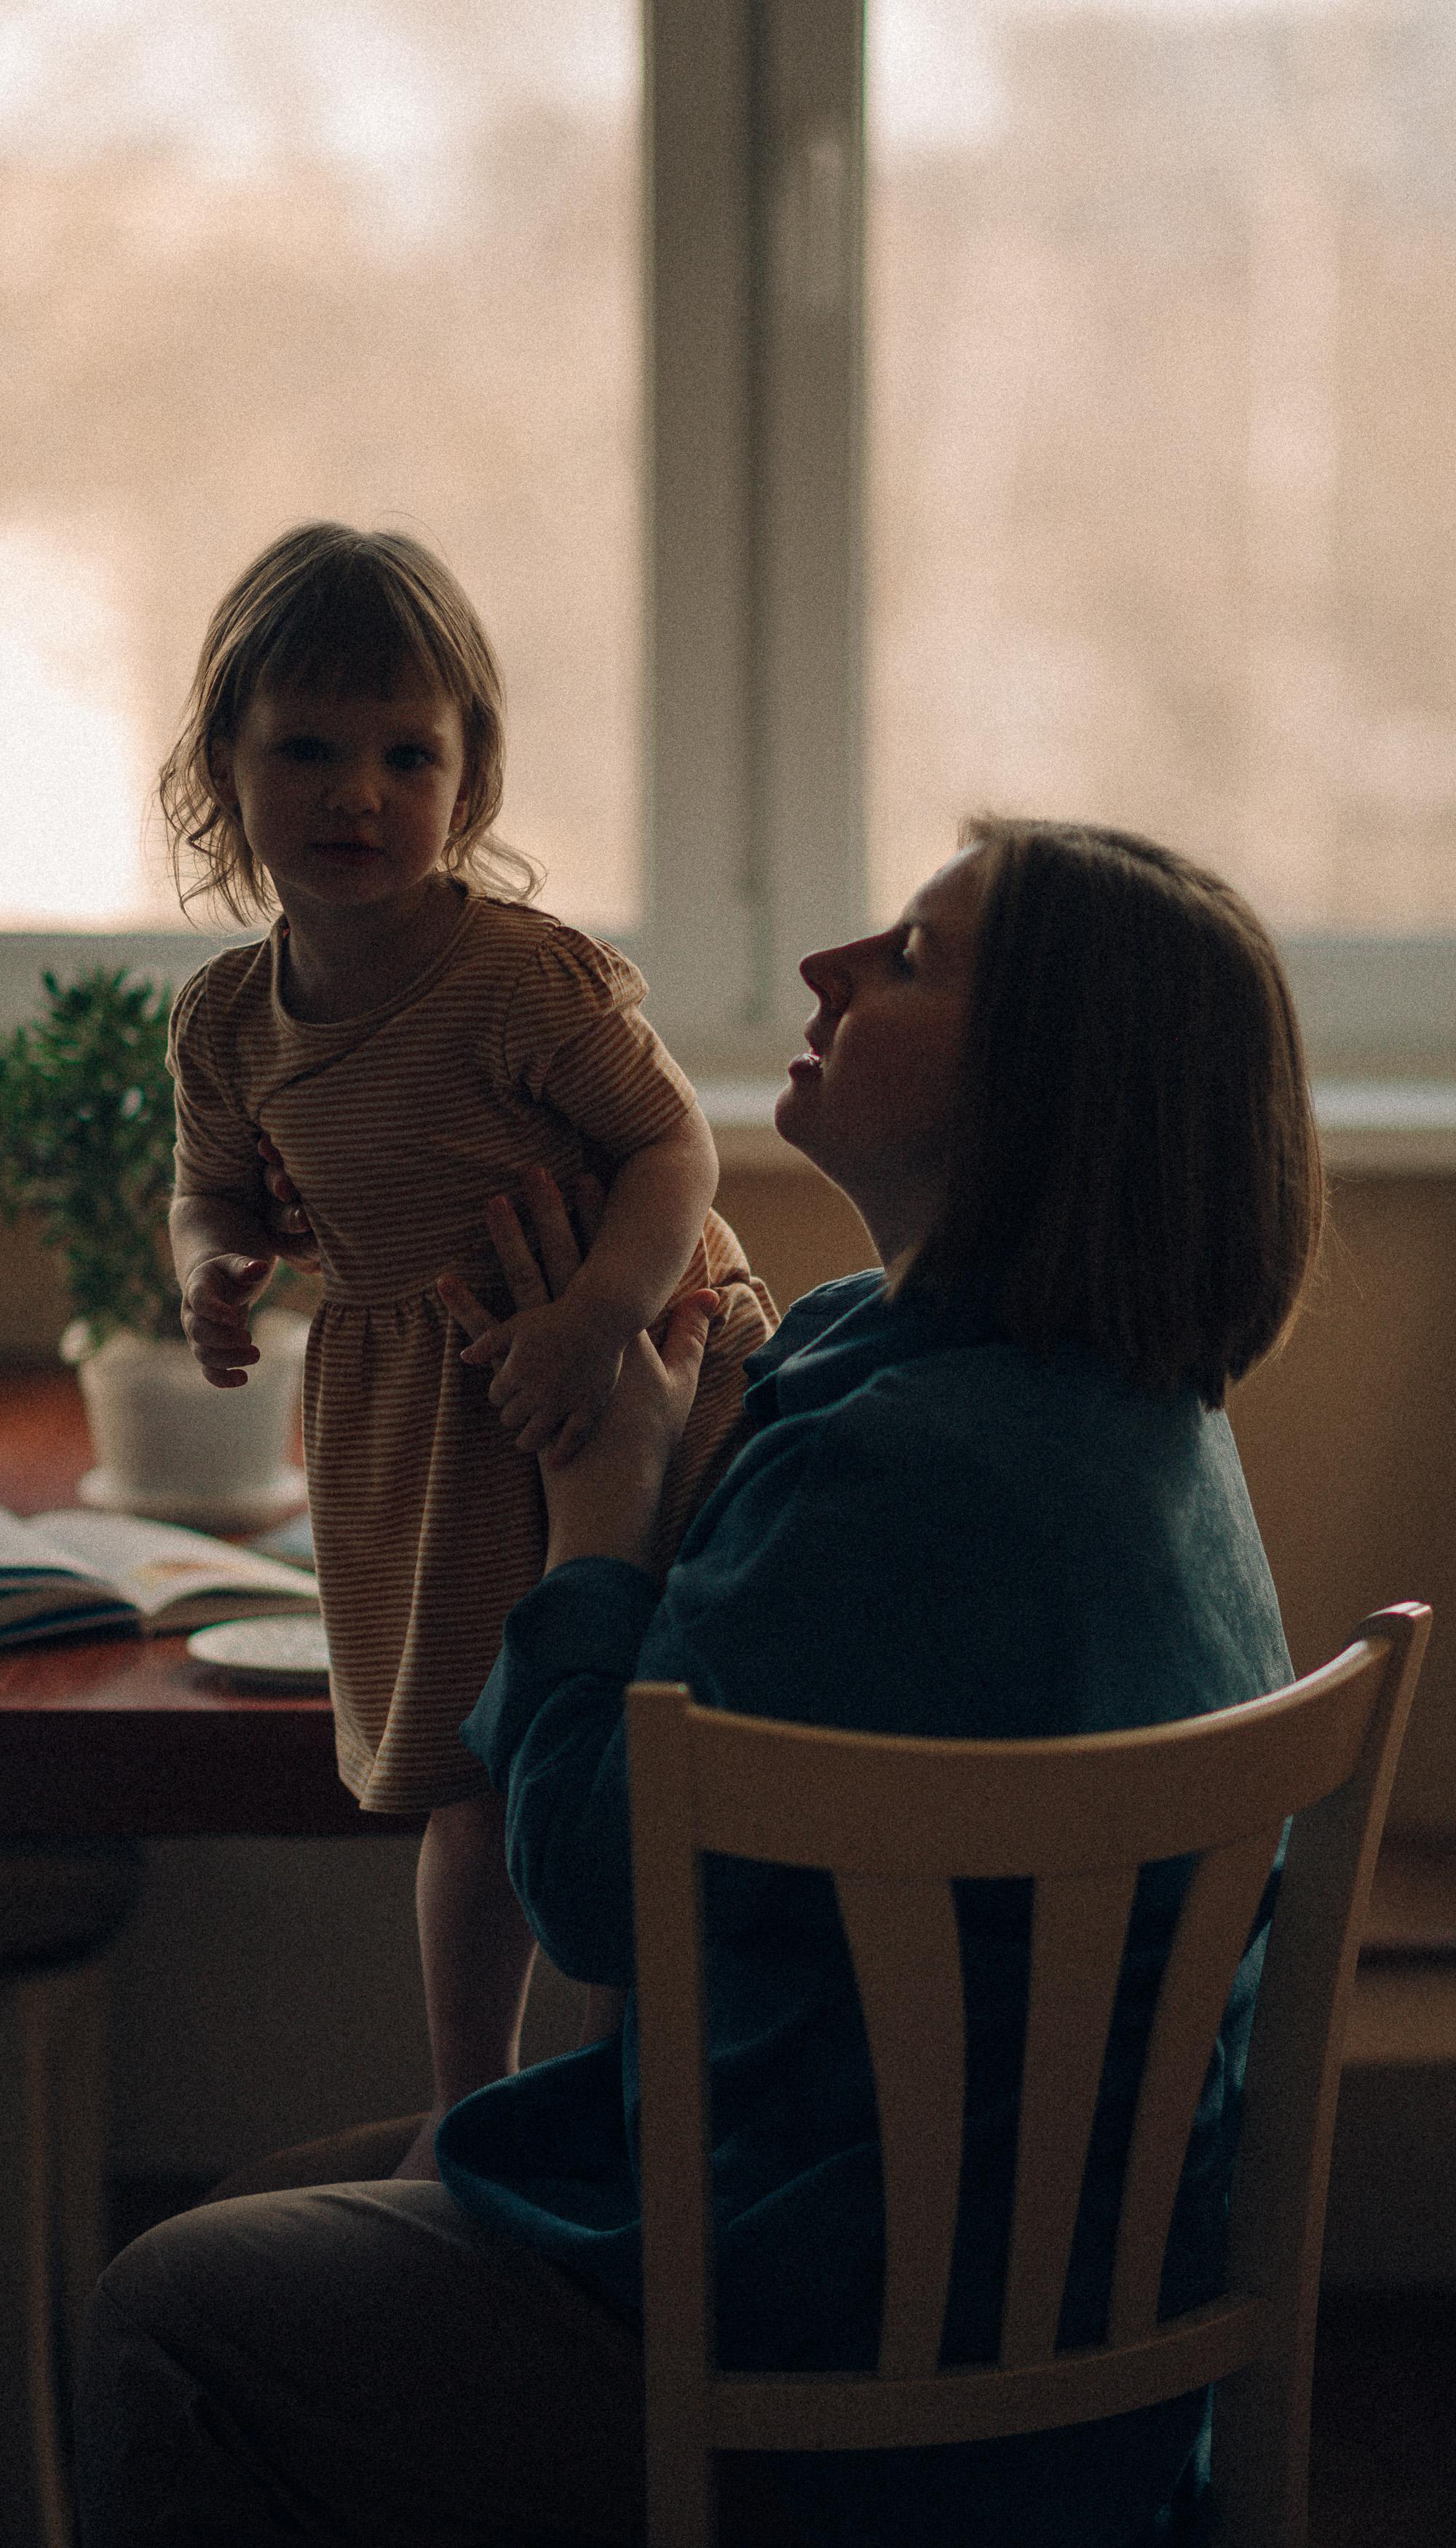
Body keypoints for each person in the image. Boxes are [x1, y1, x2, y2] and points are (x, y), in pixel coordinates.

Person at [77, 818, 1324, 2547]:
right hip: (1061, 2315)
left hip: (840, 2341)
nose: (826, 968)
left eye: (907, 957)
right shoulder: (1120, 1409)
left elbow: (593, 1887)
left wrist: (597, 1522)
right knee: (276, 2206)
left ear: (1052, 1086)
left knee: (168, 2311)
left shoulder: (902, 1471)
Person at [159, 523, 775, 2175]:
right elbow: (210, 1191)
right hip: (421, 1421)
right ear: (223, 768)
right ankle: (468, 2105)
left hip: (625, 1369)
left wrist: (591, 1321)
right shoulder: (226, 1017)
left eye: (406, 754)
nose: (357, 791)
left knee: (650, 1742)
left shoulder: (516, 979)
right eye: (307, 749)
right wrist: (217, 1272)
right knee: (471, 1763)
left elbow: (675, 1153)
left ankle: (635, 2093)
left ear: (469, 775)